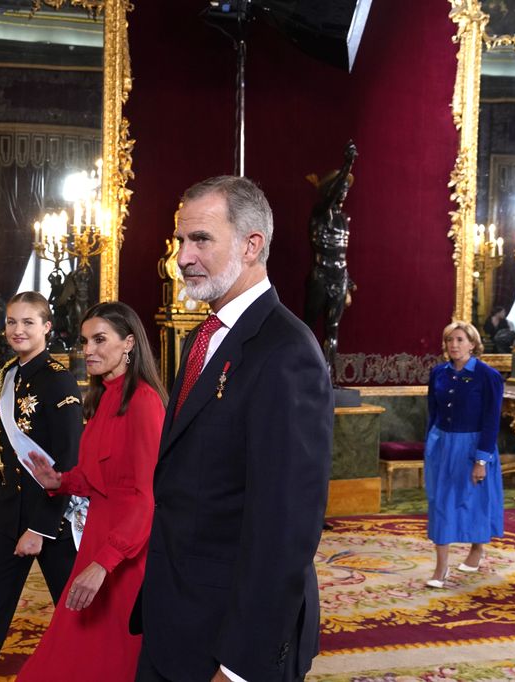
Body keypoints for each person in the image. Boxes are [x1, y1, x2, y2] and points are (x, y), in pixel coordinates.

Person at [132, 176, 334, 682]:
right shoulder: (207, 334)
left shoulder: (287, 352)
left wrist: (240, 665)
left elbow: (284, 529)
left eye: (200, 239)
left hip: (231, 640)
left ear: (251, 246)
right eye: (181, 240)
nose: (182, 257)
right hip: (176, 618)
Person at [20, 301, 167, 681]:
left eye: (100, 340)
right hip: (97, 541)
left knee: (108, 657)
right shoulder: (103, 397)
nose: (88, 350)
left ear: (129, 343)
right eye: (85, 341)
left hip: (128, 554)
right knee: (71, 651)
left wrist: (104, 563)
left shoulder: (144, 403)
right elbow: (96, 476)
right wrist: (61, 481)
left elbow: (145, 497)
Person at [0, 291, 83, 682]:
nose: (18, 330)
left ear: (46, 328)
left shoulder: (59, 381)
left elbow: (67, 462)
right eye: (11, 322)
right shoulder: (10, 373)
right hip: (9, 513)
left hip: (50, 520)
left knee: (75, 614)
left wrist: (40, 528)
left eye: (28, 322)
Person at [424, 321, 504, 588]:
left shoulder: (488, 375)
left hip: (473, 446)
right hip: (442, 444)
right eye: (449, 340)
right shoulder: (438, 373)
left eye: (459, 340)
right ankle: (441, 568)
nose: (454, 345)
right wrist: (431, 443)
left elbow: (492, 420)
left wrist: (482, 459)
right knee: (440, 503)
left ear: (472, 344)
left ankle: (476, 550)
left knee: (475, 500)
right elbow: (432, 412)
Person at [304, 141, 358, 385]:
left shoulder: (344, 218)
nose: (344, 191)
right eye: (341, 187)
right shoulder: (321, 212)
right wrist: (348, 165)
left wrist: (349, 282)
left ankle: (326, 378)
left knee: (332, 328)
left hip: (340, 276)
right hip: (321, 275)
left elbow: (342, 253)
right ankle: (304, 373)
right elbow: (333, 193)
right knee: (308, 327)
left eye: (347, 187)